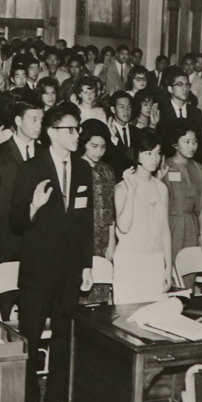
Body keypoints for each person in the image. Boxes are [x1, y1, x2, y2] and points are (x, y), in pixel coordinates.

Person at [10, 102, 94, 402]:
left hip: (71, 270)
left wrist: (86, 266)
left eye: (78, 129)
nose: (77, 135)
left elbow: (85, 223)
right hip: (37, 269)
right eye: (70, 130)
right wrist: (33, 205)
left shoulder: (83, 170)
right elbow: (16, 220)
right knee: (29, 338)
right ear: (51, 132)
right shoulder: (30, 169)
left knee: (63, 336)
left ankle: (56, 399)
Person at [113, 129, 171, 304]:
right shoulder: (122, 188)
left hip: (155, 260)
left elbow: (165, 230)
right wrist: (131, 192)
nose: (155, 158)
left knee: (153, 319)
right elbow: (123, 227)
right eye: (148, 153)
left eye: (158, 153)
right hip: (130, 261)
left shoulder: (161, 188)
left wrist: (168, 267)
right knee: (125, 320)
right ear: (137, 154)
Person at [0, 99, 42, 267]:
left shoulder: (45, 154)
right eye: (34, 119)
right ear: (18, 121)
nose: (39, 125)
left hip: (38, 238)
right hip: (8, 239)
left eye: (41, 119)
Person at [160, 119, 202, 263]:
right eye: (187, 142)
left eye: (195, 141)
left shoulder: (200, 170)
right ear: (175, 143)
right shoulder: (165, 167)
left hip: (192, 227)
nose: (192, 146)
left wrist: (201, 235)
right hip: (169, 226)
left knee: (189, 268)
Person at [78, 120, 116, 304]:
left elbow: (111, 209)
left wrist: (111, 242)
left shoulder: (107, 171)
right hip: (81, 237)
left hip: (102, 238)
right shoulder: (75, 168)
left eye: (102, 147)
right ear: (83, 143)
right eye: (93, 146)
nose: (98, 151)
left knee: (101, 291)